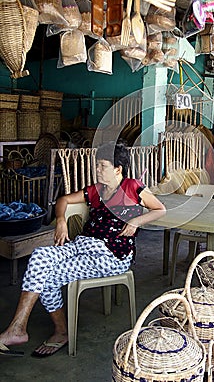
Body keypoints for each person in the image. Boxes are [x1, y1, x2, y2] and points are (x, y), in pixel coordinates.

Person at [0, 141, 166, 358]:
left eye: (102, 166)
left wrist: (136, 221)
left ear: (117, 169)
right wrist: (60, 220)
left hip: (111, 255)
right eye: (96, 165)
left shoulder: (131, 187)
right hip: (83, 245)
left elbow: (160, 209)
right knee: (40, 256)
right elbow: (64, 200)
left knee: (48, 278)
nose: (97, 170)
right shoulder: (96, 191)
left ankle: (59, 332)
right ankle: (18, 328)